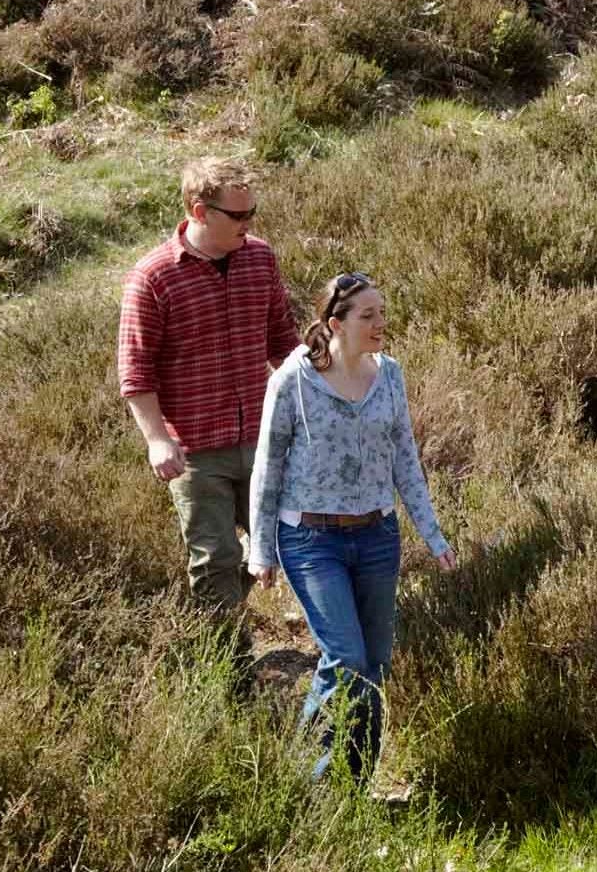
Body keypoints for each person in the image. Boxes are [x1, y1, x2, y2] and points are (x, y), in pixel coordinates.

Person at [249, 272, 457, 784]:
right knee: (345, 657)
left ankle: (354, 786)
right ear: (335, 323)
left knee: (375, 664)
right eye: (368, 315)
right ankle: (310, 781)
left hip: (376, 535)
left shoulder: (390, 374)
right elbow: (268, 464)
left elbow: (406, 458)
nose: (380, 323)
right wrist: (260, 549)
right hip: (310, 538)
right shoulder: (293, 380)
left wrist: (432, 534)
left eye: (382, 312)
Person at [116, 157, 295, 644]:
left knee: (281, 543)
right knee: (215, 562)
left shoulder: (260, 259)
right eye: (238, 216)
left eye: (252, 212)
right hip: (197, 451)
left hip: (262, 440)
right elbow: (135, 371)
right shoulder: (153, 278)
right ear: (199, 211)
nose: (249, 224)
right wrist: (157, 440)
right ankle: (227, 670)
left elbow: (282, 341)